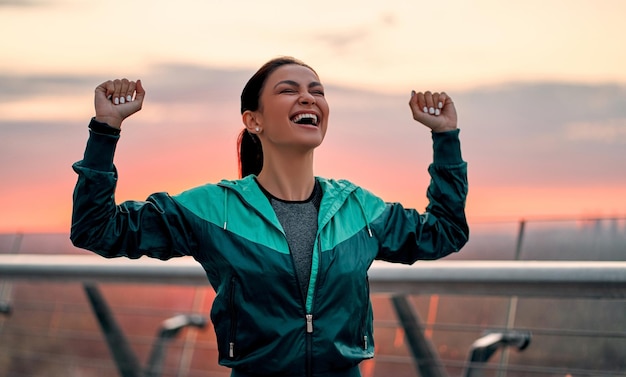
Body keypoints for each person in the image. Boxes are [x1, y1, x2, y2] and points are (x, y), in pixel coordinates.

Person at [71, 56, 469, 377]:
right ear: (253, 120)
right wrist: (105, 129)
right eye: (288, 90)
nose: (308, 98)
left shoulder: (358, 208)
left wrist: (445, 136)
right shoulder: (213, 209)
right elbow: (97, 229)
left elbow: (444, 232)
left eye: (317, 91)